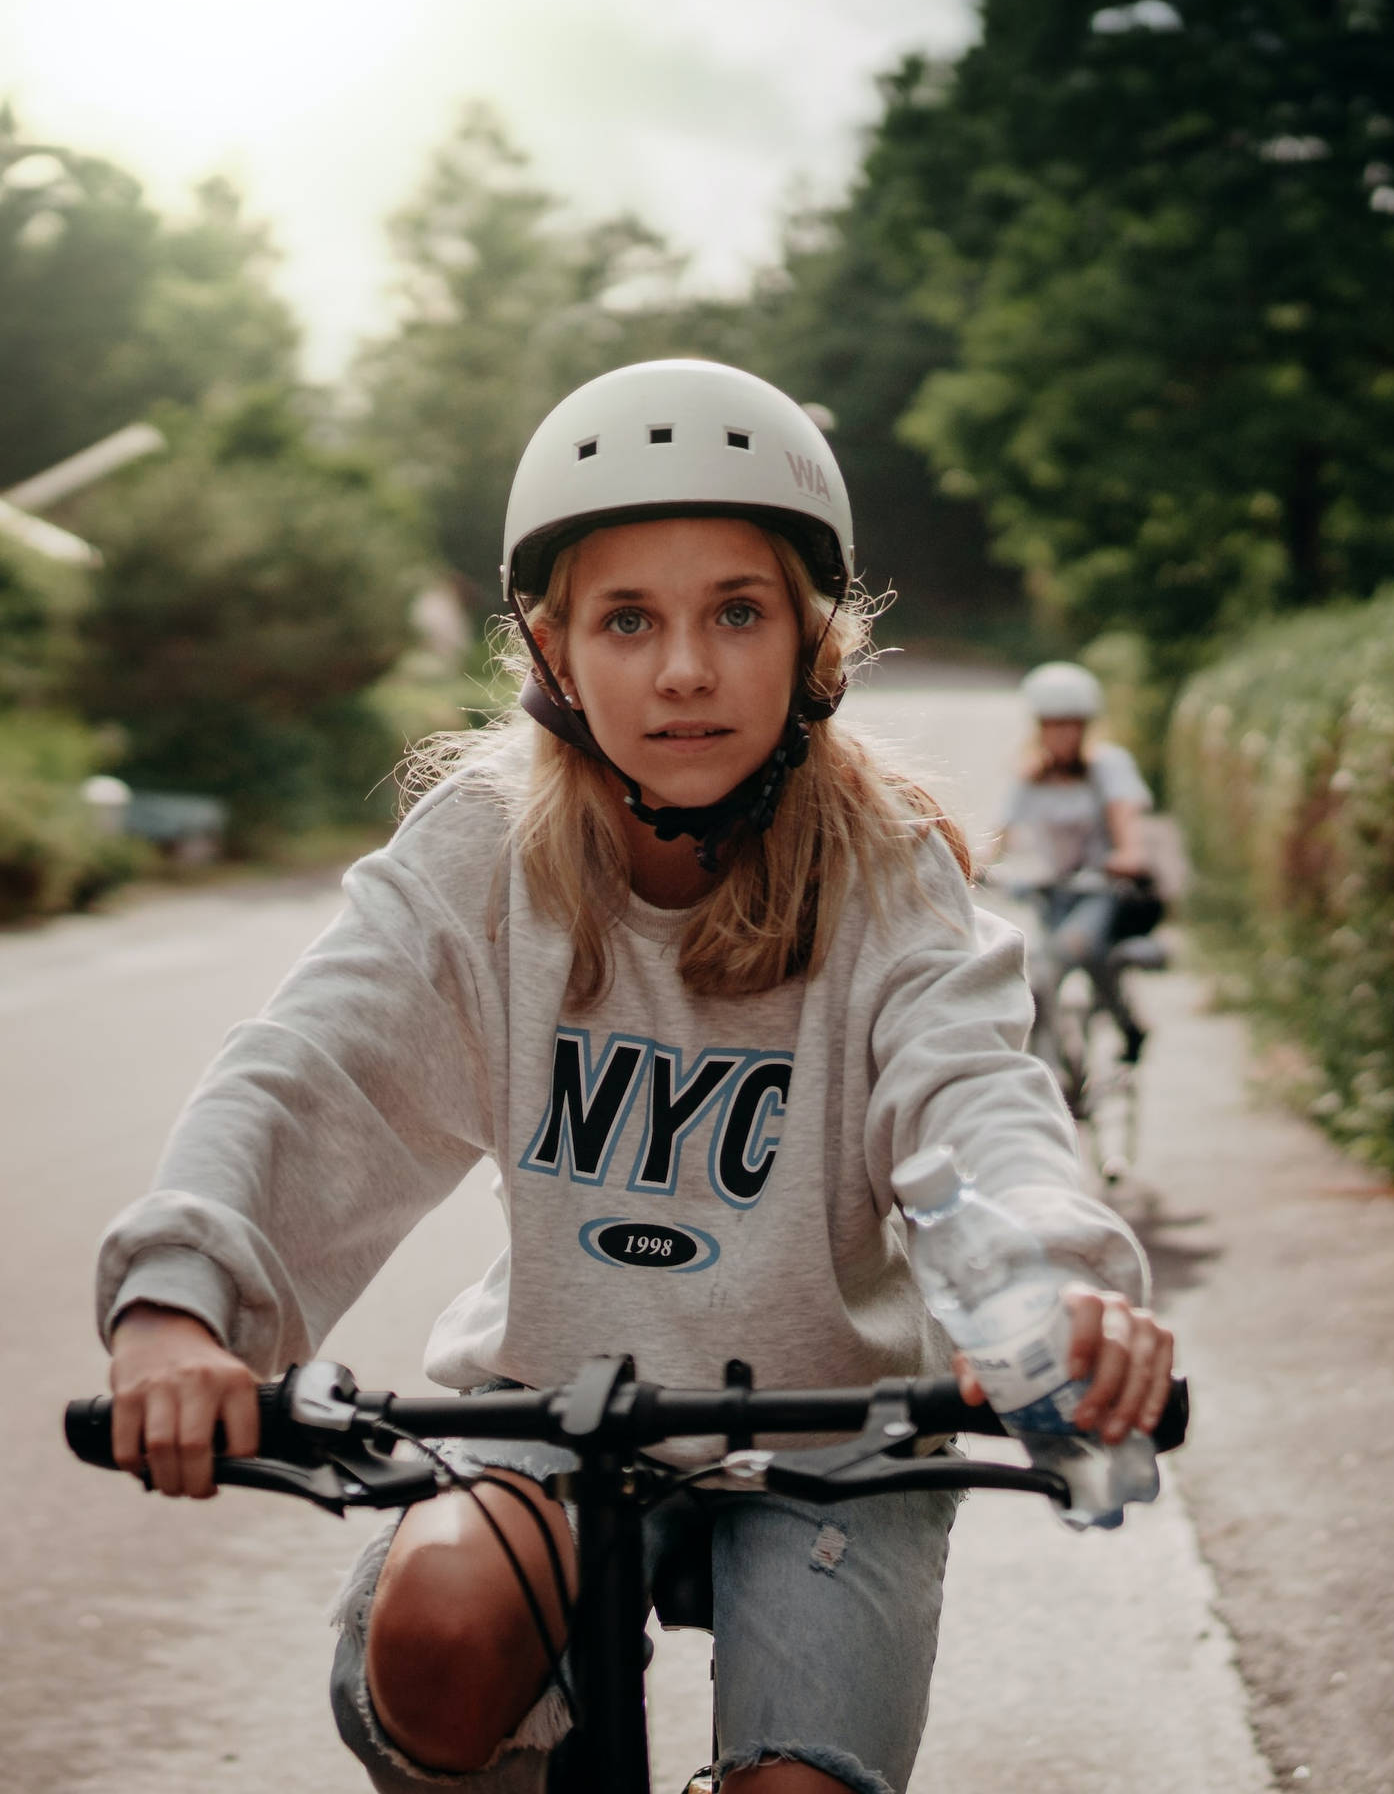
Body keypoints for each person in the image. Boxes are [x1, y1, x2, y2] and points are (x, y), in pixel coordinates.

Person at [95, 360, 1175, 1794]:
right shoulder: (483, 855)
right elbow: (312, 1071)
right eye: (627, 619)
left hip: (838, 1430)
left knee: (797, 1787)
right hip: (551, 1401)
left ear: (813, 644)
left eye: (736, 611)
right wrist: (182, 1308)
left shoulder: (885, 873)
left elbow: (975, 1099)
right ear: (552, 651)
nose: (682, 667)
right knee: (440, 1625)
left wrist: (1054, 1287)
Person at [996, 662, 1156, 1090]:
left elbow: (1128, 824)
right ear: (1039, 727)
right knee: (1037, 978)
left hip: (1101, 891)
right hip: (1053, 895)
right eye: (1053, 724)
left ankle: (1129, 1026)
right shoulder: (1029, 777)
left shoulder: (1108, 767)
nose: (1064, 735)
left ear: (1087, 727)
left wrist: (1128, 854)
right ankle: (1047, 1070)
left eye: (1073, 725)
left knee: (1074, 953)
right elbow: (1000, 838)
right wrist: (970, 865)